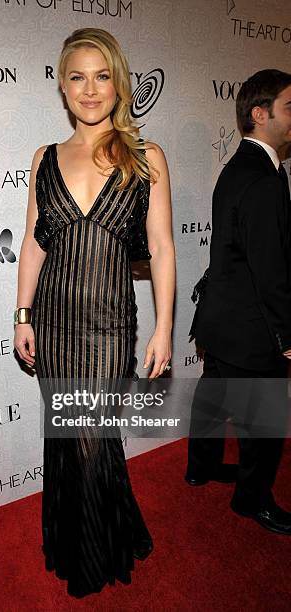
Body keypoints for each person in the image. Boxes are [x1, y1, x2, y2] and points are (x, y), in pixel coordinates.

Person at [13, 28, 175, 597]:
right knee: (70, 435)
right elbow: (35, 245)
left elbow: (161, 247)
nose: (90, 88)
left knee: (92, 435)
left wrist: (163, 328)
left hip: (110, 323)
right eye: (77, 76)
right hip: (53, 320)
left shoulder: (145, 157)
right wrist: (22, 314)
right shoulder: (45, 157)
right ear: (63, 85)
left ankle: (93, 552)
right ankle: (86, 538)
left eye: (102, 75)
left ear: (119, 83)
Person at [187, 69, 291, 535]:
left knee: (212, 398)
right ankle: (252, 502)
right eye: (290, 108)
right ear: (259, 113)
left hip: (218, 318)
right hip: (250, 328)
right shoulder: (265, 178)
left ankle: (200, 467)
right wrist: (287, 335)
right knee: (265, 425)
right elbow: (271, 271)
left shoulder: (237, 167)